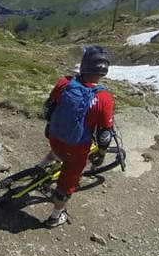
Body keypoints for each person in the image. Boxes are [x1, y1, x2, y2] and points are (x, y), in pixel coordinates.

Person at [39, 45, 115, 228]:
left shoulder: (64, 83)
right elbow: (104, 135)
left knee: (59, 148)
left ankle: (41, 167)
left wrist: (50, 127)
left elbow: (48, 108)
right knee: (66, 183)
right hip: (75, 149)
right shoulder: (104, 98)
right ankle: (56, 217)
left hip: (54, 137)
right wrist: (101, 155)